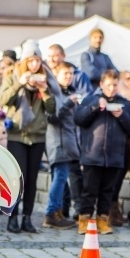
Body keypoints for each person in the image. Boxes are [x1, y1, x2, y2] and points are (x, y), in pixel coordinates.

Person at [0, 39, 55, 234]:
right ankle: (12, 217)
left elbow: (52, 108)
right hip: (17, 135)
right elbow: (4, 99)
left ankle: (27, 218)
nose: (35, 65)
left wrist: (44, 90)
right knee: (17, 179)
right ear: (24, 61)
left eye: (38, 60)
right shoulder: (11, 75)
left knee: (32, 179)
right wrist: (19, 84)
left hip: (37, 136)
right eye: (31, 61)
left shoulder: (45, 77)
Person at [74, 69, 130, 235]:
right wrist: (95, 107)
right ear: (101, 84)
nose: (112, 88)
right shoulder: (90, 99)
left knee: (107, 191)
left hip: (115, 155)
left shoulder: (123, 103)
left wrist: (122, 115)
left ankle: (103, 220)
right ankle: (84, 220)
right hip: (92, 154)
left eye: (115, 85)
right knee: (89, 189)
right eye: (108, 85)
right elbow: (78, 119)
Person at [43, 62, 80, 230]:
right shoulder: (53, 93)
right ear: (56, 75)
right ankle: (51, 213)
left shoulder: (70, 92)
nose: (69, 76)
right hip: (58, 143)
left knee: (62, 177)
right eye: (65, 73)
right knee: (59, 177)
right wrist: (68, 104)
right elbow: (52, 118)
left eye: (71, 73)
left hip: (68, 143)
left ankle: (58, 213)